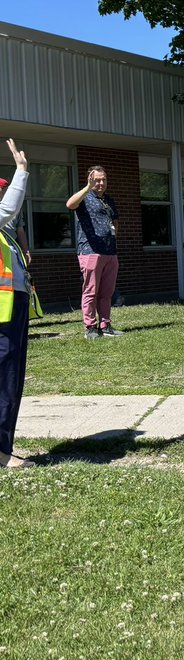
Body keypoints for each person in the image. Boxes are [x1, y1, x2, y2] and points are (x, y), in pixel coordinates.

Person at [0, 139, 34, 468]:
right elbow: (7, 210)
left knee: (12, 377)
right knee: (6, 378)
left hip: (14, 307)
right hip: (3, 313)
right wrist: (21, 172)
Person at [65, 165, 121, 339]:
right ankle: (90, 327)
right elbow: (70, 204)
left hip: (110, 252)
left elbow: (115, 220)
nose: (101, 183)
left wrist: (113, 235)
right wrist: (87, 188)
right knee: (91, 291)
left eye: (103, 179)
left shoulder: (108, 199)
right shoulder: (84, 197)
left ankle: (105, 325)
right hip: (90, 251)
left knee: (107, 292)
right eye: (97, 180)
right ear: (90, 179)